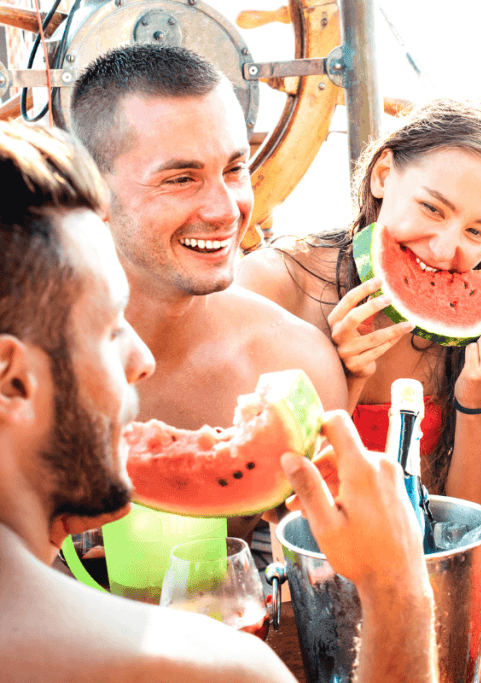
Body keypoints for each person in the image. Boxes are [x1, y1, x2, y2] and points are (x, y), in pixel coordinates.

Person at [0, 121, 437, 683]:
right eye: (110, 329)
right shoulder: (212, 669)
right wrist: (401, 594)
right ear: (12, 381)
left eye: (236, 168)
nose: (142, 358)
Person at [68, 44, 348, 541]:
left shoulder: (299, 363)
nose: (226, 209)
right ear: (92, 192)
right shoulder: (20, 370)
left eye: (236, 169)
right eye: (181, 178)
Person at [236, 97, 481, 513]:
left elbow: (470, 512)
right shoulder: (275, 283)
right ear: (382, 175)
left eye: (476, 232)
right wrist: (343, 379)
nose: (443, 248)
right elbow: (260, 508)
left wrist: (479, 397)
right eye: (432, 208)